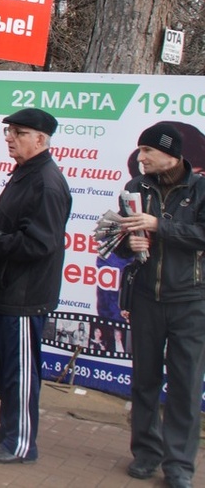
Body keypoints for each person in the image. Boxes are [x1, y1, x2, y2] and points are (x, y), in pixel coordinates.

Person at [0, 107, 71, 465]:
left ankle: (21, 443)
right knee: (7, 369)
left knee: (21, 372)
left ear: (40, 139)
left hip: (25, 296)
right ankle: (10, 427)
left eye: (19, 132)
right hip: (6, 289)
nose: (10, 138)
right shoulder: (26, 173)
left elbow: (39, 244)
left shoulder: (46, 182)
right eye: (9, 131)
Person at [117, 122, 205, 487]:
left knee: (185, 386)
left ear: (171, 153)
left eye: (148, 151)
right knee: (144, 380)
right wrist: (130, 243)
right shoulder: (135, 188)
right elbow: (122, 239)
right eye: (140, 150)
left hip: (190, 300)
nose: (141, 157)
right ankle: (146, 453)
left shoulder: (200, 189)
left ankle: (179, 466)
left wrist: (159, 226)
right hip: (145, 299)